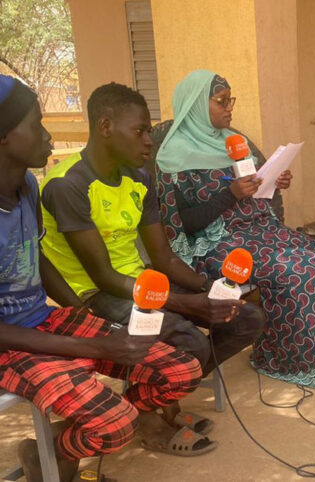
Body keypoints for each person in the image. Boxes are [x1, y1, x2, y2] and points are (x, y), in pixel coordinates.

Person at [0, 74, 204, 481]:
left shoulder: (25, 186)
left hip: (43, 321)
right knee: (116, 423)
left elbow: (36, 257)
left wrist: (81, 317)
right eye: (36, 124)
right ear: (4, 136)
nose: (48, 135)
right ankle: (56, 451)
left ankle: (54, 447)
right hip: (9, 344)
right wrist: (82, 343)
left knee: (182, 369)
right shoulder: (61, 185)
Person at [40, 82, 265, 440]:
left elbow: (163, 256)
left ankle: (144, 404)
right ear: (105, 127)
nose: (149, 140)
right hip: (95, 295)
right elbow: (104, 278)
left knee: (244, 318)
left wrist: (210, 291)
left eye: (149, 130)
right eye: (140, 130)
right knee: (191, 342)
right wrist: (186, 303)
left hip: (141, 282)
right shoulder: (68, 185)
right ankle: (149, 410)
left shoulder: (139, 178)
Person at [155, 70, 315, 388]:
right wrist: (231, 194)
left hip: (262, 229)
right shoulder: (174, 157)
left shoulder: (233, 142)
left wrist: (274, 180)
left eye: (231, 101)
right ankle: (289, 359)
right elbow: (182, 224)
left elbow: (256, 189)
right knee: (294, 272)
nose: (230, 108)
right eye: (221, 102)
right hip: (218, 241)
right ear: (197, 106)